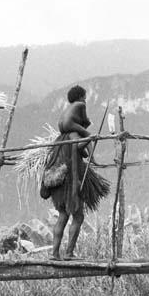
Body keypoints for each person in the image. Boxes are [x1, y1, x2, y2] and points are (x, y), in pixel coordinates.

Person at [40, 85, 109, 260]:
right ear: (81, 97)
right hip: (69, 181)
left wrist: (88, 151)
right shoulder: (76, 122)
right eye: (85, 97)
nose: (85, 100)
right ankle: (69, 253)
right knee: (78, 217)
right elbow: (78, 146)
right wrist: (89, 138)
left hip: (57, 182)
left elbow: (80, 151)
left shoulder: (60, 138)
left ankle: (55, 254)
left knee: (63, 215)